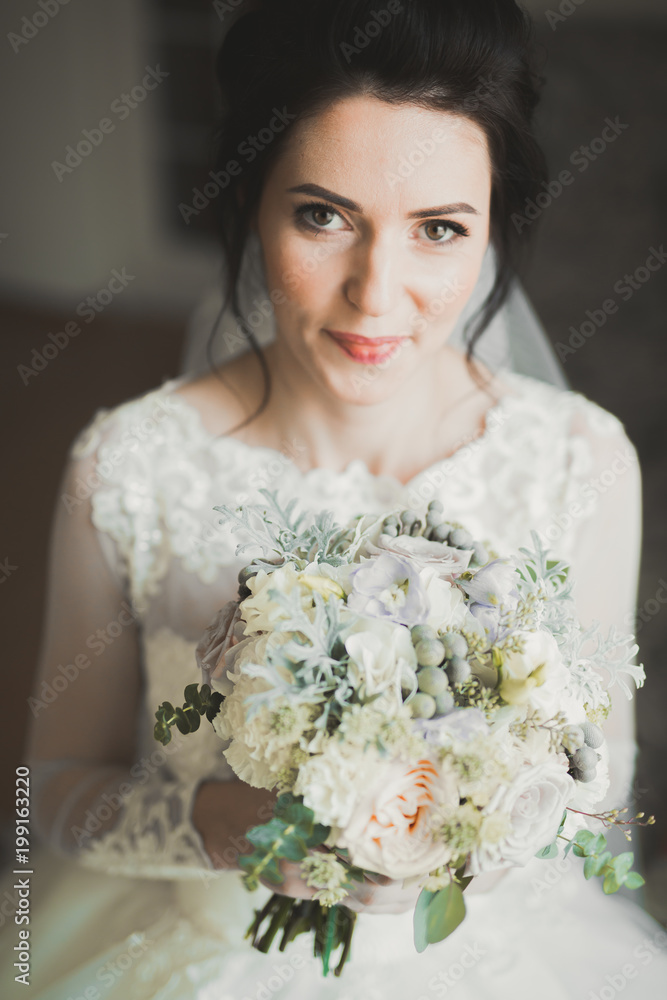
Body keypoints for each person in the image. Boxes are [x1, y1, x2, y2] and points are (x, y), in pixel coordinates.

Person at [2, 1, 666, 997]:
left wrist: (481, 818)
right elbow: (44, 793)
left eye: (439, 229)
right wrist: (209, 825)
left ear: (492, 228)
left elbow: (602, 775)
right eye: (322, 216)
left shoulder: (581, 460)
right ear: (247, 203)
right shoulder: (130, 464)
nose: (374, 293)